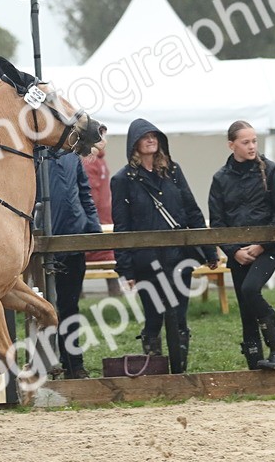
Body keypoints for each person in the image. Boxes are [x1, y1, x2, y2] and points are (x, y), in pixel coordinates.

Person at [110, 119, 218, 374]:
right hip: (146, 261)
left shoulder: (173, 171)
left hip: (179, 258)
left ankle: (180, 371)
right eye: (144, 136)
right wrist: (126, 270)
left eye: (154, 135)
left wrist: (210, 250)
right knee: (154, 316)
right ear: (134, 142)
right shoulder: (123, 179)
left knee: (179, 315)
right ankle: (155, 370)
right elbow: (121, 227)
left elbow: (192, 211)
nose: (151, 139)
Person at [208, 121, 275, 371]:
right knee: (246, 308)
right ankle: (254, 363)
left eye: (254, 141)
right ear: (231, 145)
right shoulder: (220, 178)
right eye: (245, 142)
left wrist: (261, 245)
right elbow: (218, 222)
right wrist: (233, 250)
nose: (252, 146)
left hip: (267, 249)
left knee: (250, 290)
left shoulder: (271, 170)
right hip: (237, 252)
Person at [47, 147, 104, 379]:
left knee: (70, 306)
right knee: (41, 309)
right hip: (42, 244)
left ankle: (73, 364)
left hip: (72, 243)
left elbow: (84, 192)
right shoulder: (32, 154)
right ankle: (43, 364)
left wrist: (93, 228)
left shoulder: (72, 157)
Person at [81, 137, 116, 280]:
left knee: (107, 253)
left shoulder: (99, 160)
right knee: (91, 252)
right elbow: (89, 192)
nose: (103, 141)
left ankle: (115, 290)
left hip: (104, 215)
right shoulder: (88, 160)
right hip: (96, 217)